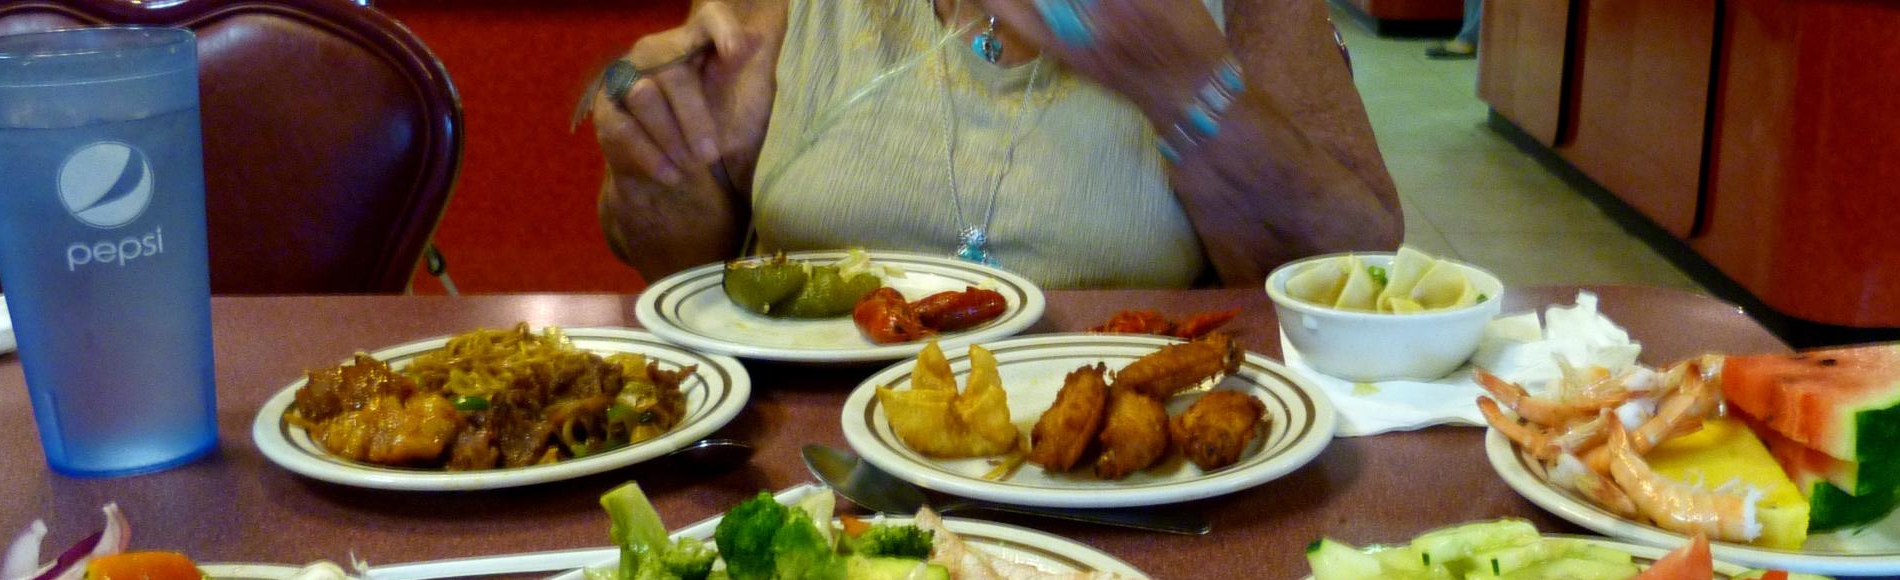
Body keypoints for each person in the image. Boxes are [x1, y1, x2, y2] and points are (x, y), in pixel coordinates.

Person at [588, 0, 1402, 288]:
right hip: (817, 471)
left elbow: (1354, 274)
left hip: (1119, 480)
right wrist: (662, 162)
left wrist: (1182, 83)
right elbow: (673, 264)